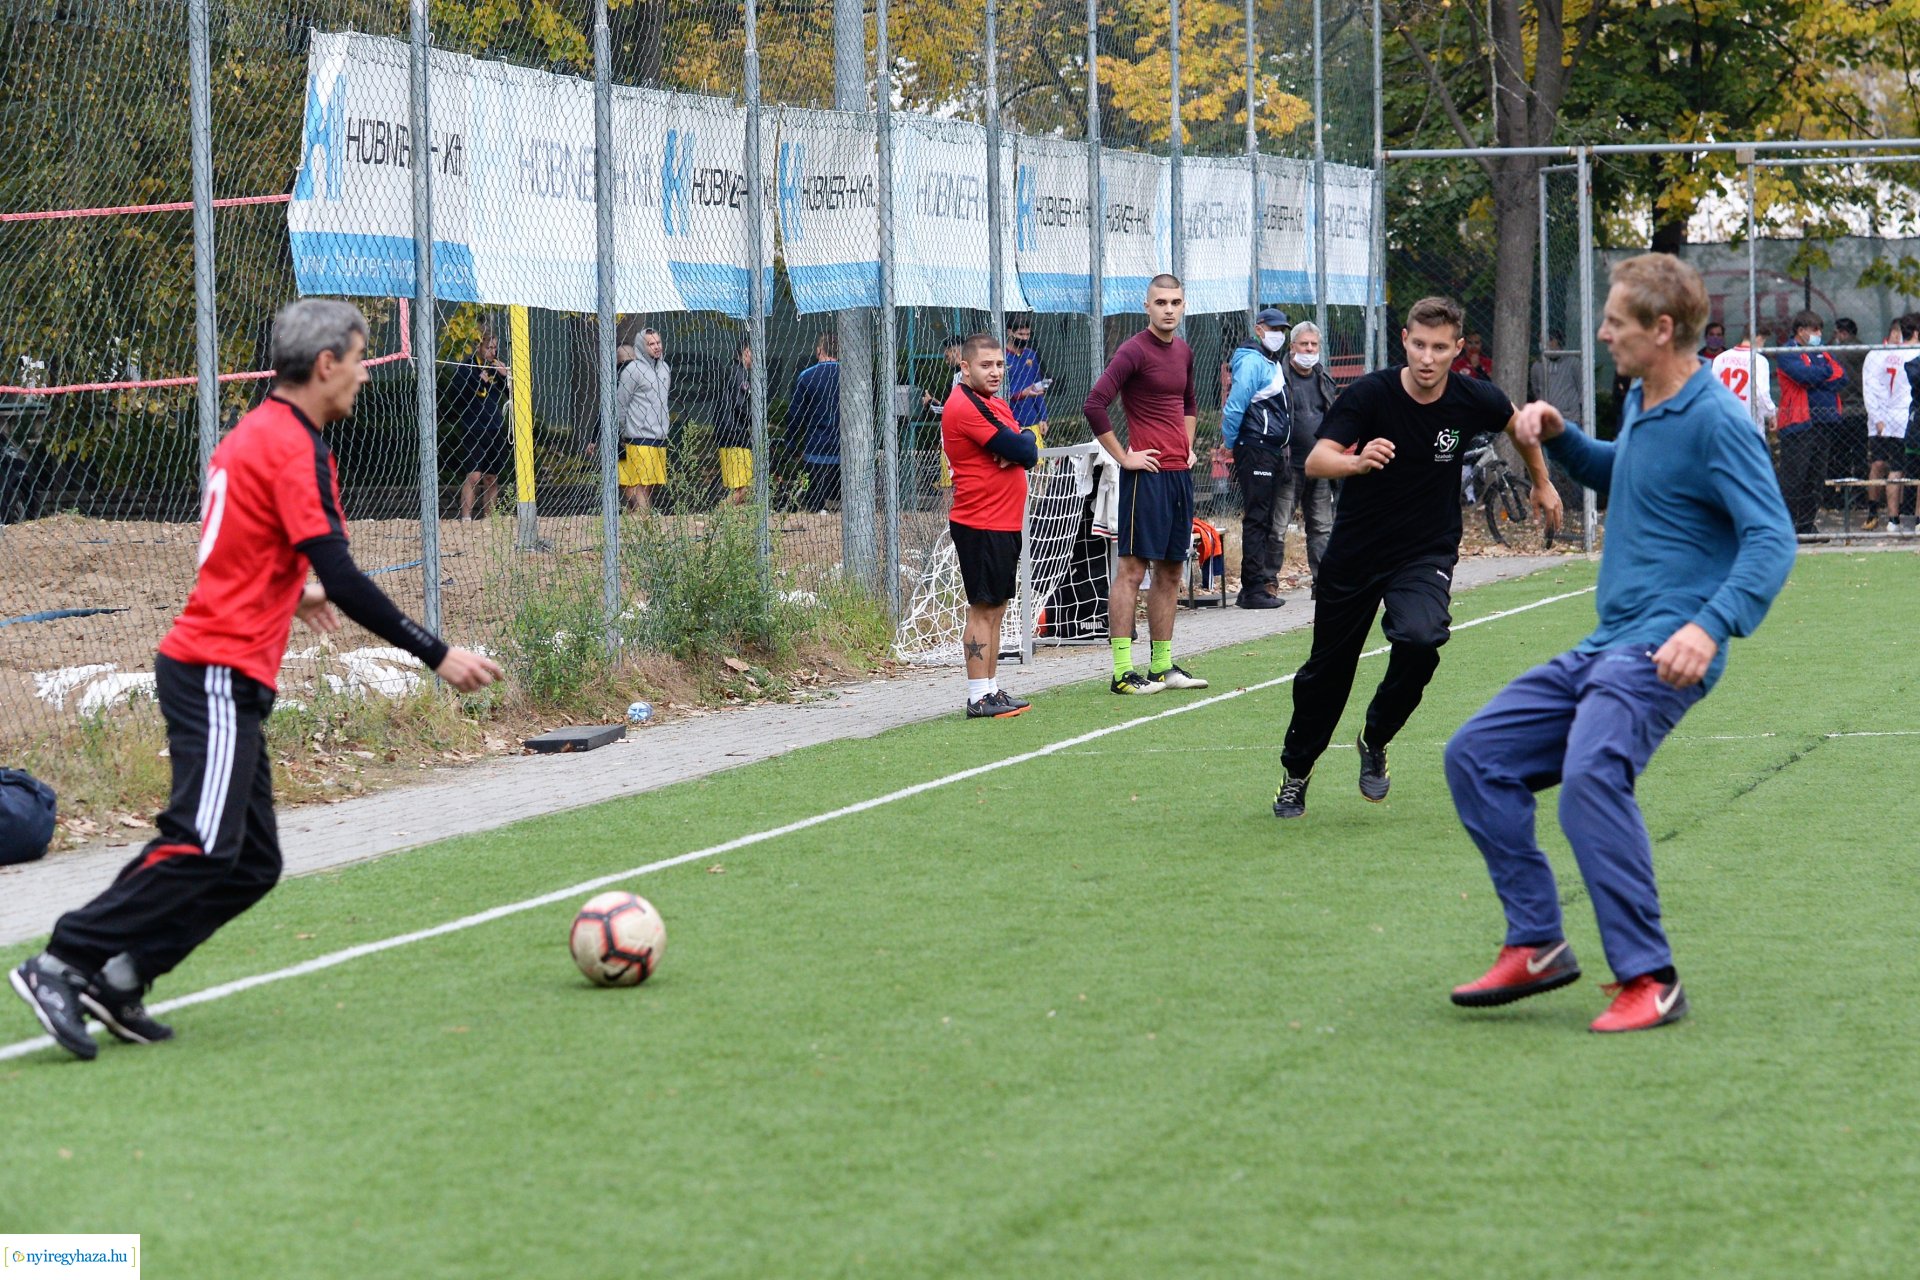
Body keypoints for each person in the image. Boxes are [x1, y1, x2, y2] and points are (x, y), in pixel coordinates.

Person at [10, 299, 502, 1061]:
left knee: (252, 863)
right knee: (204, 843)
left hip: (225, 670)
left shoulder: (255, 434)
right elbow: (339, 571)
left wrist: (286, 589)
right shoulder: (293, 446)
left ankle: (122, 975)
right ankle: (62, 960)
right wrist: (435, 653)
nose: (367, 375)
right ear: (327, 364)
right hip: (212, 671)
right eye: (363, 359)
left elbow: (234, 547)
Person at [1444, 253, 1795, 1034]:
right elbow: (1626, 473)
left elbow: (1772, 538)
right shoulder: (1645, 398)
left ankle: (1650, 976)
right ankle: (1536, 941)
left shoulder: (1715, 420)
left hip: (1663, 649)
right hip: (1607, 644)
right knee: (1475, 757)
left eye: (1615, 322)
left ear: (1662, 330)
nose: (1602, 333)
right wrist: (1565, 439)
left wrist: (1710, 625)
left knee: (1591, 778)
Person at [1270, 295, 1561, 820]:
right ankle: (1296, 773)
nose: (1428, 358)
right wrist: (1356, 462)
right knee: (1326, 676)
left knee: (1422, 638)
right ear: (1404, 340)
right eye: (1419, 345)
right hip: (1355, 555)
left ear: (1457, 351)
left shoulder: (1474, 397)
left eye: (1440, 348)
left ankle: (1375, 736)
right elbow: (1316, 459)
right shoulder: (1369, 395)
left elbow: (1518, 425)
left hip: (1423, 553)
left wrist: (1542, 483)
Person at [1083, 273, 1208, 695]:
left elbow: (1189, 403)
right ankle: (1121, 672)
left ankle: (1161, 667)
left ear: (1183, 305)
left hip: (1178, 476)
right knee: (1132, 571)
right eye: (1160, 302)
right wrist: (1124, 457)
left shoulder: (1185, 351)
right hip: (1145, 478)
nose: (1168, 309)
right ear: (1147, 306)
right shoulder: (1133, 350)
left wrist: (1187, 447)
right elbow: (1095, 403)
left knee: (1171, 572)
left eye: (1175, 302)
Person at [941, 333, 1040, 719]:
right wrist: (1015, 447)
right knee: (982, 609)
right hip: (980, 523)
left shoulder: (994, 403)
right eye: (986, 365)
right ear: (965, 368)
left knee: (996, 608)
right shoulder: (964, 405)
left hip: (1001, 522)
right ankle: (976, 695)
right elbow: (1022, 450)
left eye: (999, 364)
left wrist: (1018, 445)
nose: (996, 371)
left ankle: (992, 689)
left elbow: (1025, 446)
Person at [1221, 306, 1292, 610]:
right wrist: (1229, 442)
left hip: (1269, 449)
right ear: (1259, 328)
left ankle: (1253, 586)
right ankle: (1253, 590)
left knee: (1261, 518)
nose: (1279, 335)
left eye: (1283, 330)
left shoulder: (1269, 361)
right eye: (1274, 328)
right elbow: (1235, 406)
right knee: (1257, 518)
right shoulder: (1252, 362)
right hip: (1256, 448)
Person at [1279, 321, 1340, 595]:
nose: (1309, 349)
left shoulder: (1323, 378)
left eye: (1314, 344)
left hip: (1320, 464)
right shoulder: (1278, 377)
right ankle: (1268, 582)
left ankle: (1323, 583)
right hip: (1288, 464)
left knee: (1322, 528)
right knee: (1277, 526)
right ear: (1292, 347)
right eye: (1304, 344)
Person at [1775, 310, 1846, 535]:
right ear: (1801, 331)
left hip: (1824, 422)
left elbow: (1841, 376)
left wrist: (1817, 376)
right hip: (1798, 423)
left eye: (1820, 330)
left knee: (1815, 479)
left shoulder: (1822, 352)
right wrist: (1822, 375)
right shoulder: (1787, 352)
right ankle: (1785, 528)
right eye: (1814, 330)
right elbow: (1803, 376)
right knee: (1794, 478)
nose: (1818, 334)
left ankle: (1807, 526)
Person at [1862, 314, 1918, 532]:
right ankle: (1913, 520)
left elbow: (1876, 387)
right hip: (1909, 416)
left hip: (1892, 417)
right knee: (1903, 468)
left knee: (1895, 468)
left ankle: (1893, 520)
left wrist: (1880, 417)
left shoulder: (1887, 355)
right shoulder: (1914, 354)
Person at [450, 330, 510, 521]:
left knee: (491, 477)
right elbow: (457, 398)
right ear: (479, 347)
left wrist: (505, 377)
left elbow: (512, 395)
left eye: (495, 348)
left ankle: (490, 519)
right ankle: (466, 518)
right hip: (473, 428)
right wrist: (478, 382)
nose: (492, 352)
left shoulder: (496, 368)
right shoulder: (466, 367)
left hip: (494, 428)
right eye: (488, 347)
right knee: (474, 476)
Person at [615, 327, 671, 513]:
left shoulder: (665, 369)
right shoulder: (632, 371)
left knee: (652, 483)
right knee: (641, 483)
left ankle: (636, 520)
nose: (656, 347)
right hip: (638, 436)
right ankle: (644, 524)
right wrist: (624, 431)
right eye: (651, 344)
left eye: (658, 342)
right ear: (641, 346)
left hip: (660, 435)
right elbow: (621, 404)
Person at [790, 332, 842, 512]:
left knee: (816, 504)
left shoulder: (807, 376)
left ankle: (818, 510)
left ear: (819, 350)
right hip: (846, 448)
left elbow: (795, 414)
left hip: (816, 447)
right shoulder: (852, 376)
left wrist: (791, 442)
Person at [1711, 327, 1776, 431]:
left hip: (1724, 419)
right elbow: (1761, 394)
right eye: (1764, 340)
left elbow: (1712, 390)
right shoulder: (1758, 360)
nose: (1763, 344)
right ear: (1758, 338)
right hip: (1748, 421)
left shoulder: (1720, 358)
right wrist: (1771, 413)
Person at [715, 340, 754, 507]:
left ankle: (728, 520)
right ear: (746, 351)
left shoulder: (734, 371)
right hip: (735, 434)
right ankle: (717, 516)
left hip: (730, 432)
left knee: (743, 487)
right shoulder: (739, 373)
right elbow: (739, 404)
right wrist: (755, 422)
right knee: (742, 488)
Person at [1003, 318, 1051, 437]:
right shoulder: (1001, 357)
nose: (1024, 338)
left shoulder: (1031, 355)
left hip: (1032, 420)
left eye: (1027, 334)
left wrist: (1043, 417)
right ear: (1010, 332)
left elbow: (1037, 387)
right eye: (1020, 334)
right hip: (1010, 421)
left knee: (1037, 455)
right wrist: (1021, 394)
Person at [1530, 330, 1582, 432]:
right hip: (1547, 420)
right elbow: (1536, 390)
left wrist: (1582, 414)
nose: (1542, 344)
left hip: (1570, 418)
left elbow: (1582, 388)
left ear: (1556, 341)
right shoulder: (1537, 366)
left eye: (1545, 340)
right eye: (1540, 341)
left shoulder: (1573, 363)